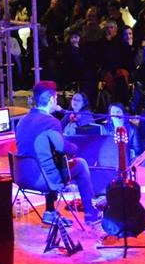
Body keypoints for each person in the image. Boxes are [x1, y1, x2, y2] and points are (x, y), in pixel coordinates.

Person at [14, 81, 101, 225]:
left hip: (20, 176)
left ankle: (50, 212)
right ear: (51, 99)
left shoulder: (22, 121)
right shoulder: (51, 121)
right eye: (55, 97)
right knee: (80, 164)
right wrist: (75, 148)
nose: (56, 100)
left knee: (51, 162)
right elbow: (62, 148)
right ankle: (91, 214)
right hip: (41, 180)